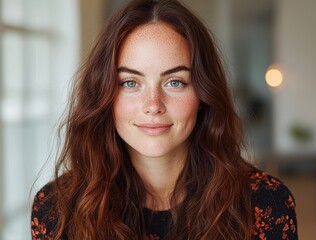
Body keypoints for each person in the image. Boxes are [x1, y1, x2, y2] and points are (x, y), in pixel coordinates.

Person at [31, 0, 298, 239]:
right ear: (104, 95)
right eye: (130, 82)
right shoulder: (56, 209)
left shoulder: (266, 203)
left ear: (203, 94)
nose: (153, 105)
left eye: (174, 82)